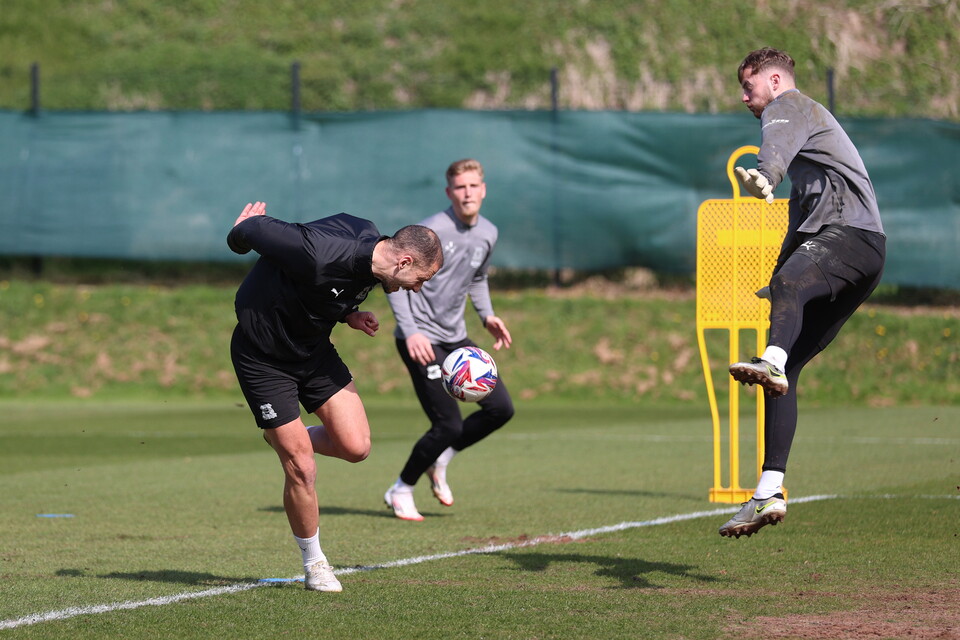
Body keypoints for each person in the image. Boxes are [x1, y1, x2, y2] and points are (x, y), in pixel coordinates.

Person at [227, 201, 442, 589]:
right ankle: (315, 563)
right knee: (302, 467)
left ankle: (286, 438)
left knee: (356, 447)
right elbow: (252, 231)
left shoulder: (374, 258)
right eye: (421, 279)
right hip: (263, 358)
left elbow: (327, 288)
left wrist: (347, 314)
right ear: (405, 262)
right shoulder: (318, 252)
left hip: (314, 352)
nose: (418, 288)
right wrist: (243, 232)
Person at [722, 48, 886, 538]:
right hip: (864, 252)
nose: (745, 98)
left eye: (748, 86)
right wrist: (778, 279)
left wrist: (765, 173)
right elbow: (801, 224)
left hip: (852, 238)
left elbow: (773, 147)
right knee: (785, 373)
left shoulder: (788, 105)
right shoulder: (812, 156)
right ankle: (768, 490)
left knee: (777, 352)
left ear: (774, 81)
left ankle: (770, 360)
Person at [383, 159, 515, 521]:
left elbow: (477, 278)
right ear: (449, 192)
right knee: (448, 425)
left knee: (501, 409)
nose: (467, 193)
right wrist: (411, 330)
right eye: (460, 187)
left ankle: (440, 458)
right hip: (422, 339)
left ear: (483, 190)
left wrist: (487, 315)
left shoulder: (488, 232)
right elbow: (394, 278)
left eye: (473, 186)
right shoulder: (431, 232)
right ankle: (401, 488)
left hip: (457, 339)